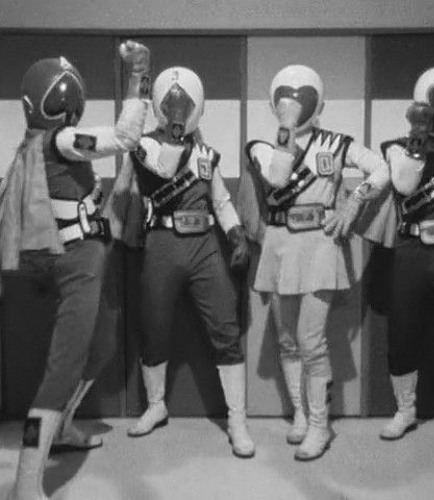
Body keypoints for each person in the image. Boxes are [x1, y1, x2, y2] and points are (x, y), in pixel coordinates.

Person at [332, 66, 434, 481]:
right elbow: (396, 184)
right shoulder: (398, 149)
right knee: (401, 335)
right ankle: (405, 411)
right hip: (409, 251)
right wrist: (356, 198)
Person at [1, 40, 151, 500]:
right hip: (76, 265)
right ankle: (27, 480)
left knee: (100, 346)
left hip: (86, 259)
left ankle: (63, 427)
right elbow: (124, 137)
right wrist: (138, 78)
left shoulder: (36, 147)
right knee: (60, 373)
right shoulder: (61, 141)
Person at [237, 64, 389, 461]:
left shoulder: (338, 144)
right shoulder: (261, 145)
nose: (294, 103)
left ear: (318, 103)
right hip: (279, 245)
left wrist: (355, 201)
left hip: (321, 246)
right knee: (287, 339)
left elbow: (382, 169)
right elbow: (277, 176)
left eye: (303, 98)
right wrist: (286, 127)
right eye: (286, 98)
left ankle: (320, 425)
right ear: (273, 104)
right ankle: (301, 415)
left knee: (311, 340)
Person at [105, 66, 255, 458]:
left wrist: (236, 235)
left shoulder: (207, 154)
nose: (178, 109)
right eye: (172, 104)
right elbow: (165, 166)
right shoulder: (143, 145)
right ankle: (156, 405)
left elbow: (221, 201)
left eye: (185, 104)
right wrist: (174, 129)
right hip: (162, 244)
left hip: (205, 246)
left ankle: (237, 419)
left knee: (225, 327)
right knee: (154, 326)